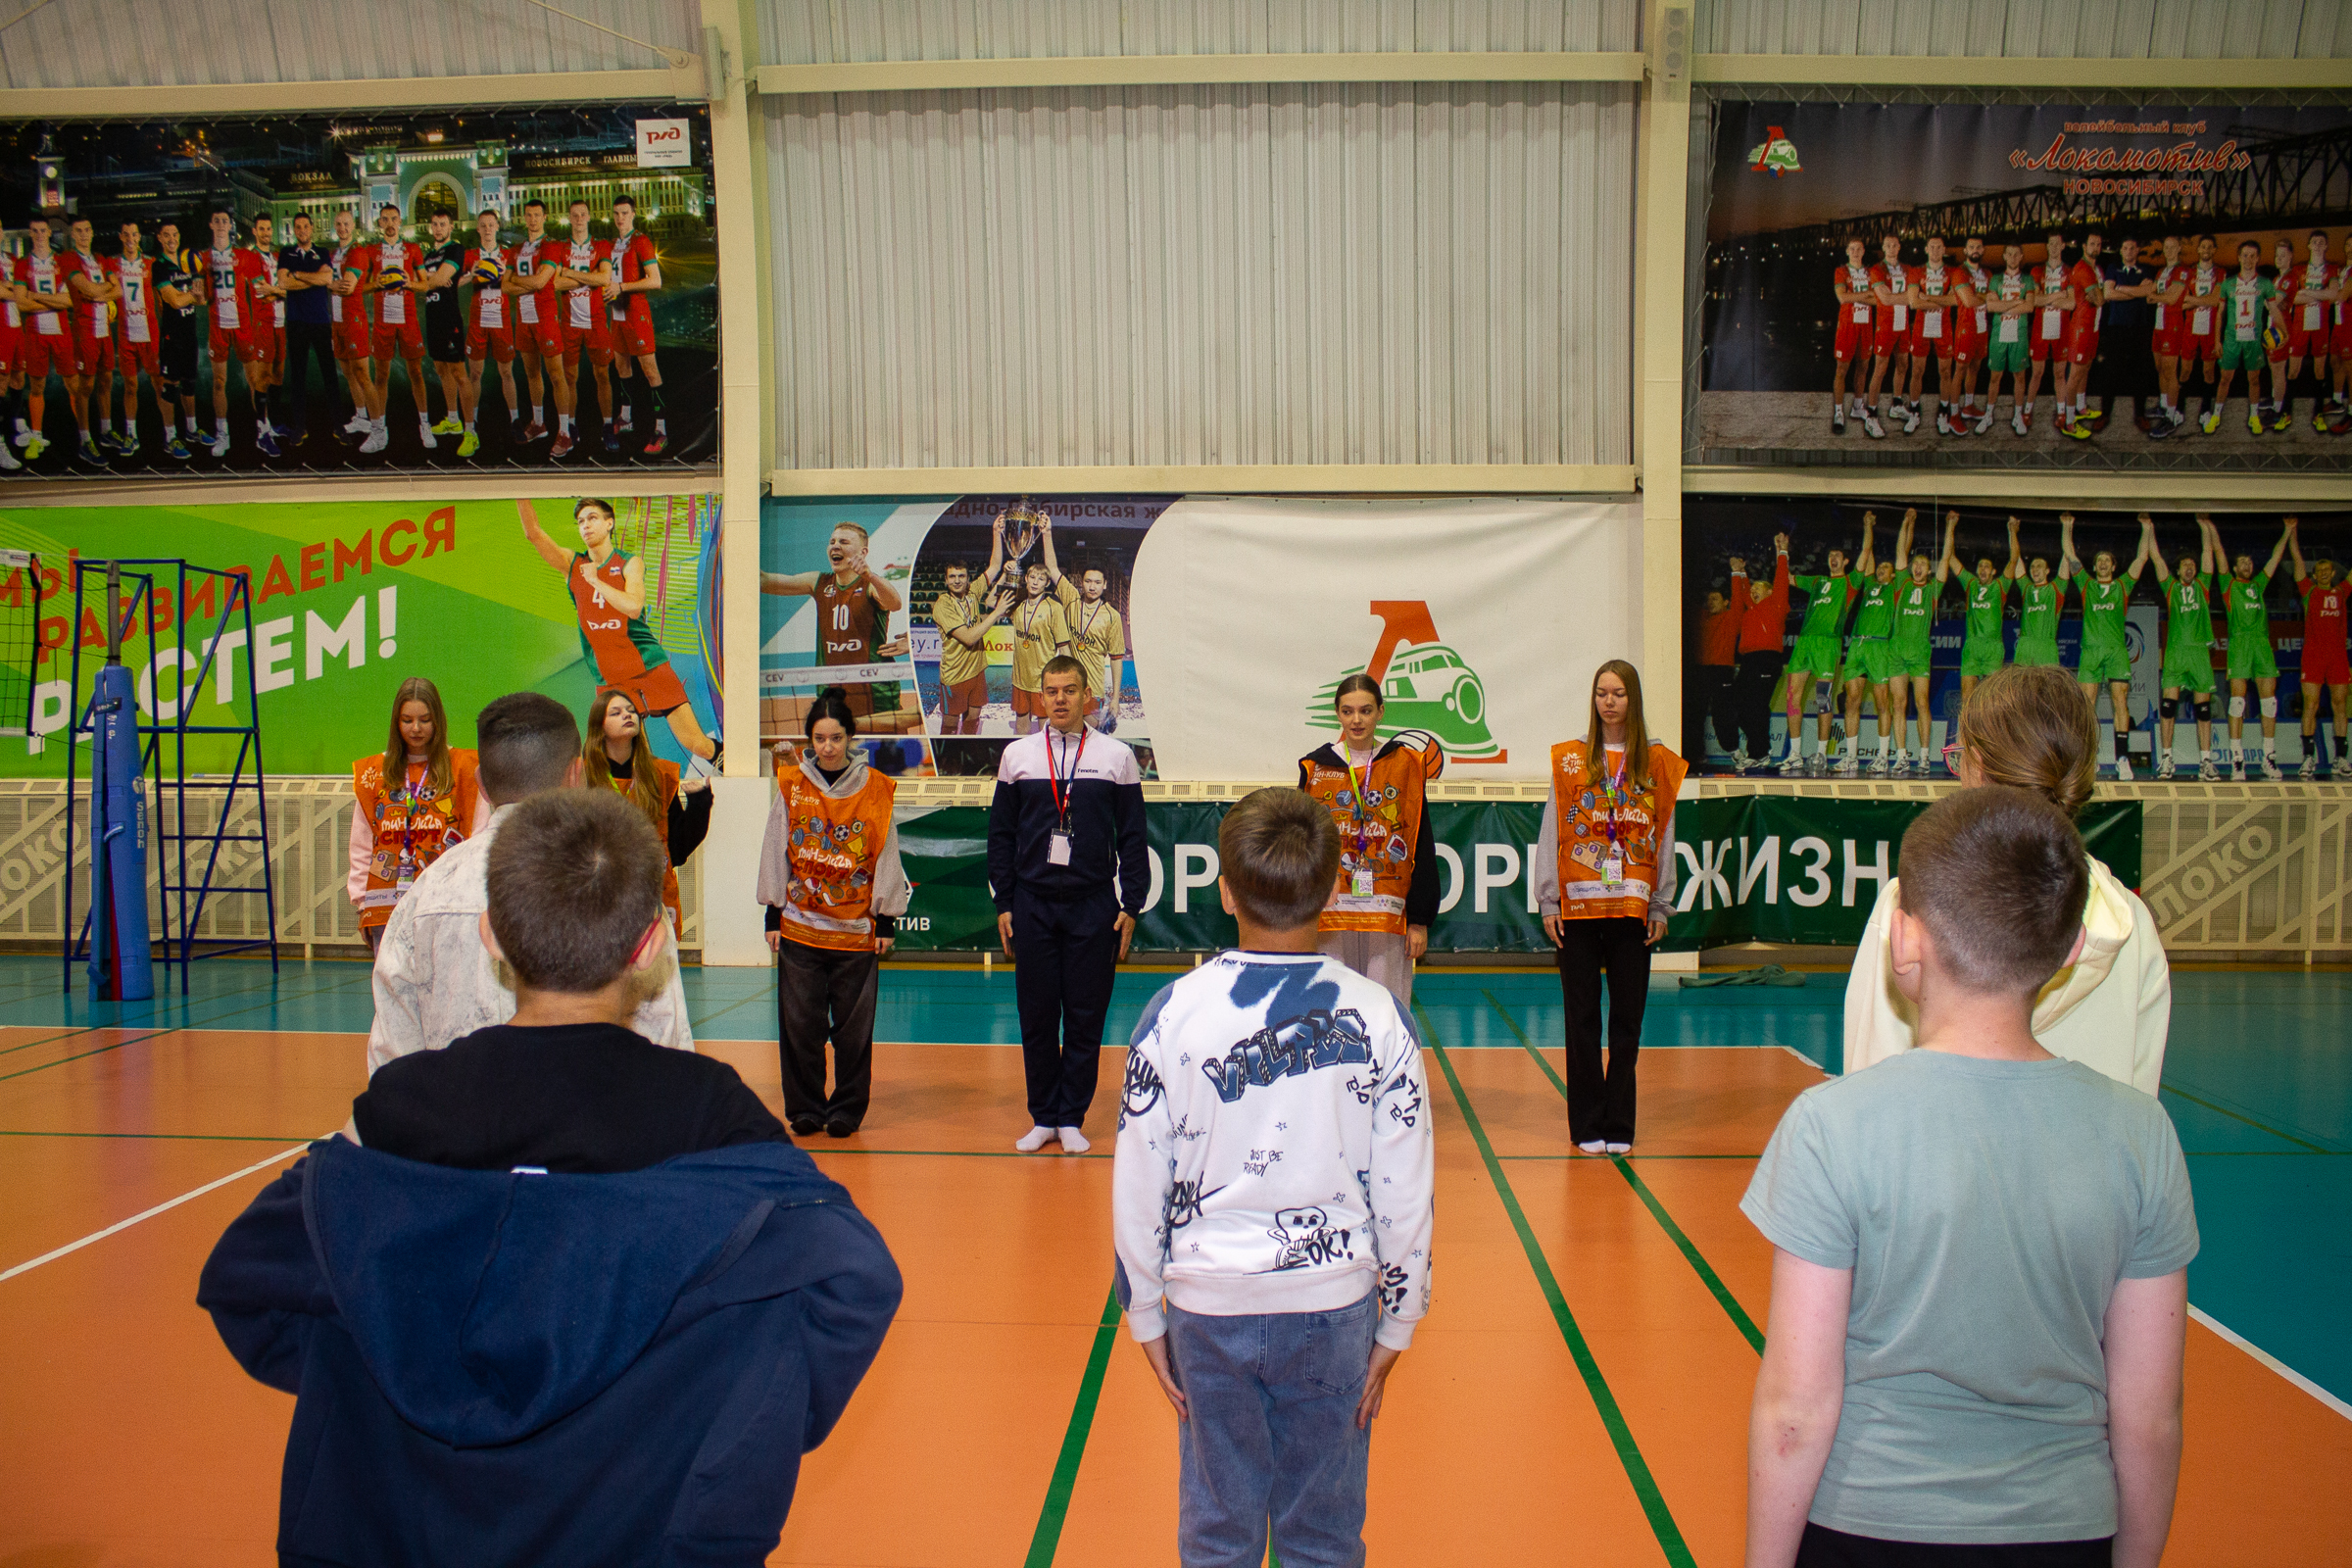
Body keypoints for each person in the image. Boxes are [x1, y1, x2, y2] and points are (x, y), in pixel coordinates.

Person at [203, 788, 901, 1568]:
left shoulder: (401, 1108)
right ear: (651, 946)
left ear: (492, 936)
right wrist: (711, 1406)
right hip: (639, 1531)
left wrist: (380, 1369)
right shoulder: (710, 1114)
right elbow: (853, 1280)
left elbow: (248, 1275)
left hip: (398, 1532)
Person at [1749, 786, 2193, 1568]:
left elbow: (1796, 1409)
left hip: (1867, 1525)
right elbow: (2151, 1416)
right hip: (2065, 1529)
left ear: (1903, 941)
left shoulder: (1831, 1128)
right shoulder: (2141, 1133)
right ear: (2067, 952)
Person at [1110, 785, 1435, 1568]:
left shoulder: (1173, 1014)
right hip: (1333, 1308)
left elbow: (1139, 1181)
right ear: (1331, 892)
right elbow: (1405, 1192)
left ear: (1225, 891)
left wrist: (1145, 1312)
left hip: (1207, 1307)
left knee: (1217, 1531)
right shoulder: (1381, 1018)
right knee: (1321, 1536)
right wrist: (1400, 1320)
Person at [1845, 663, 2170, 1094]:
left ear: (1977, 768)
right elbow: (2138, 1098)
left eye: (1960, 756)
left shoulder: (1913, 904)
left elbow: (1872, 1087)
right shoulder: (2133, 922)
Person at [368, 692, 694, 1072]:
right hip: (600, 1107)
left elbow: (392, 1056)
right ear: (577, 773)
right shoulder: (620, 878)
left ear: (481, 783)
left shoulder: (428, 891)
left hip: (457, 1106)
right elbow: (667, 1041)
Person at [988, 654, 1146, 1154]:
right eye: (1052, 691)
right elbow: (1001, 836)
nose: (1060, 700)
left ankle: (1071, 1117)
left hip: (1093, 904)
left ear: (1086, 696)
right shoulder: (1017, 756)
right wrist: (1005, 902)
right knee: (1036, 1015)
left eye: (1069, 690)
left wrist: (1132, 903)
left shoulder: (1117, 756)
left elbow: (1134, 837)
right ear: (1040, 697)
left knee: (1085, 1014)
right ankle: (1043, 1117)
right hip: (1032, 903)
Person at [1533, 660, 1685, 1153]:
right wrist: (1548, 898)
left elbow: (1664, 834)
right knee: (1581, 1020)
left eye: (1618, 693)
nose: (1609, 702)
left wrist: (1659, 905)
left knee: (1626, 1022)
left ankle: (1619, 1123)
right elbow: (1552, 829)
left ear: (1632, 699)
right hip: (1577, 910)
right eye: (1601, 693)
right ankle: (1586, 1124)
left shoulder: (1655, 762)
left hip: (1631, 909)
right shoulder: (1571, 759)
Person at [760, 687, 908, 1138]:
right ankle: (805, 1107)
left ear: (850, 738)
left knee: (853, 1031)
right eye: (820, 739)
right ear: (810, 741)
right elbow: (775, 849)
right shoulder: (792, 784)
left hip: (856, 932)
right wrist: (772, 914)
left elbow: (887, 855)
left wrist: (885, 919)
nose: (828, 747)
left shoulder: (876, 788)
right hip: (800, 928)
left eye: (836, 738)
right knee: (800, 1026)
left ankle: (846, 1108)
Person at [522, 496, 720, 766]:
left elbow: (634, 607)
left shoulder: (629, 563)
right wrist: (520, 488)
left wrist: (595, 581)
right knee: (622, 754)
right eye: (580, 521)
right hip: (610, 677)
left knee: (697, 744)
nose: (585, 525)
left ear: (609, 523)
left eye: (592, 518)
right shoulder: (571, 564)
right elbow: (533, 533)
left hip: (648, 664)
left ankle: (732, 767)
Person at [1297, 674, 1441, 1007]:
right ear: (1337, 713)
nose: (1356, 720)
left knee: (1384, 1008)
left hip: (1386, 916)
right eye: (1348, 711)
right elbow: (1302, 848)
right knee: (1332, 1008)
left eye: (1365, 710)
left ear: (1380, 712)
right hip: (1331, 914)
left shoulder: (1405, 765)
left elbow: (1420, 842)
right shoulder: (1315, 767)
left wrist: (1419, 920)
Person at [348, 677, 483, 955]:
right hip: (385, 907)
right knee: (390, 981)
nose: (416, 728)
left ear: (438, 720)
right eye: (407, 720)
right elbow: (361, 845)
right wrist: (362, 902)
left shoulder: (465, 768)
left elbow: (480, 838)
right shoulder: (373, 773)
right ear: (396, 722)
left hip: (445, 904)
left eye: (425, 720)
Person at [583, 687, 712, 937]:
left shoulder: (660, 773)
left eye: (631, 711)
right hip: (600, 896)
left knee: (657, 961)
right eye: (616, 713)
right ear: (599, 726)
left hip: (654, 895)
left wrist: (699, 802)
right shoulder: (583, 776)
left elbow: (678, 849)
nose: (627, 715)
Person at [758, 519, 909, 731]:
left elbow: (895, 603)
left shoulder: (870, 585)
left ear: (863, 552)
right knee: (834, 746)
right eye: (832, 542)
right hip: (832, 691)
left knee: (887, 749)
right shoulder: (818, 582)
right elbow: (763, 581)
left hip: (875, 690)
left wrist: (870, 575)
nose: (835, 546)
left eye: (844, 542)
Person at [2062, 512, 2150, 780]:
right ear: (2095, 566)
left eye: (2106, 560)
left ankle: (2122, 759)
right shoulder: (2086, 584)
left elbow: (2141, 558)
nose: (2102, 563)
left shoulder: (2122, 585)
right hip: (2090, 652)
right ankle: (2089, 758)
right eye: (2098, 560)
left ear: (2113, 566)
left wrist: (2146, 528)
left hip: (2116, 652)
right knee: (2086, 705)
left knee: (2120, 701)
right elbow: (2070, 555)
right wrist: (2067, 526)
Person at [2215, 514, 2292, 780]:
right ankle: (2237, 760)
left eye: (2249, 562)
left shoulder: (2258, 585)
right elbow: (2219, 555)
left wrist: (2287, 531)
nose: (2247, 565)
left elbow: (2274, 559)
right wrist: (2210, 527)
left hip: (2261, 644)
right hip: (2240, 643)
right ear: (2235, 568)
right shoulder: (2229, 585)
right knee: (2237, 702)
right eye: (2242, 563)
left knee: (2269, 702)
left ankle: (2268, 758)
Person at [359, 203, 434, 454]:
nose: (390, 223)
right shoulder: (371, 252)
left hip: (408, 319)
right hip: (383, 320)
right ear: (379, 223)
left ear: (400, 221)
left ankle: (425, 425)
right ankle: (379, 431)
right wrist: (377, 284)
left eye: (393, 219)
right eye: (385, 219)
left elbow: (425, 285)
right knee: (381, 376)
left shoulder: (412, 250)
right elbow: (361, 287)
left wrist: (409, 283)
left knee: (416, 373)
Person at [2148, 517, 2220, 780]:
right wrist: (2149, 528)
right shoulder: (2171, 588)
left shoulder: (2203, 586)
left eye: (2192, 565)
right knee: (2168, 706)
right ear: (2178, 571)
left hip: (2199, 653)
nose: (2189, 568)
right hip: (2176, 652)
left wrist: (2205, 527)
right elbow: (2156, 559)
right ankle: (2167, 758)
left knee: (2203, 708)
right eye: (2184, 566)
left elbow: (2208, 554)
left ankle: (2206, 762)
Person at [1781, 533, 1858, 774]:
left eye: (1838, 555)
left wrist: (1867, 527)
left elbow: (1866, 557)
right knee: (1792, 696)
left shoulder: (1850, 583)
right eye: (1830, 555)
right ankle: (1795, 754)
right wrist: (1782, 551)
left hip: (1827, 643)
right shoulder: (1816, 581)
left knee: (1823, 699)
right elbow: (1786, 578)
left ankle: (1821, 754)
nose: (1833, 558)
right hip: (1804, 642)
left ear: (1845, 561)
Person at [1838, 510, 1907, 776]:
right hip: (1858, 644)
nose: (1880, 570)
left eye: (1886, 568)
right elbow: (1868, 557)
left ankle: (1882, 756)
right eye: (1880, 567)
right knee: (1851, 701)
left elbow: (1900, 558)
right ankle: (1851, 757)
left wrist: (1905, 523)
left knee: (1882, 703)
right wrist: (1868, 526)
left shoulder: (1896, 590)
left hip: (1880, 646)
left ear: (1894, 575)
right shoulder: (1868, 587)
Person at [505, 198, 574, 453]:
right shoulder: (515, 249)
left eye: (537, 215)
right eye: (529, 215)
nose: (532, 219)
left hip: (545, 317)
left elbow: (541, 282)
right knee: (532, 373)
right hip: (524, 319)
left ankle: (564, 432)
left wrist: (517, 280)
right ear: (524, 218)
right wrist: (524, 282)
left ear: (545, 217)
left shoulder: (551, 246)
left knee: (556, 375)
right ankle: (538, 423)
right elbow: (504, 286)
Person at [552, 198, 617, 454]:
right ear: (569, 218)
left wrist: (570, 273)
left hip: (596, 321)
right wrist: (589, 277)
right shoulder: (561, 248)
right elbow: (555, 284)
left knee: (602, 375)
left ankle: (608, 425)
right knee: (569, 377)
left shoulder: (601, 246)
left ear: (589, 217)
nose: (579, 219)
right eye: (575, 215)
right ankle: (570, 426)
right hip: (569, 323)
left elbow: (604, 279)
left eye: (583, 214)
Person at [608, 194, 668, 456]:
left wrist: (622, 287)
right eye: (616, 213)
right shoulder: (613, 244)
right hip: (617, 313)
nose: (620, 218)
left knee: (650, 371)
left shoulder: (640, 241)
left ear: (633, 214)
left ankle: (661, 429)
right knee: (621, 366)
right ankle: (626, 417)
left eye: (625, 213)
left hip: (636, 313)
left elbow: (655, 280)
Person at [2289, 519, 2350, 780]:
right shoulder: (2308, 591)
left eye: (2328, 570)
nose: (2324, 573)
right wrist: (2291, 532)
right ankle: (2308, 758)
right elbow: (2297, 562)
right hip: (2313, 656)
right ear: (2314, 575)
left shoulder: (2342, 592)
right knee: (2310, 705)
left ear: (2333, 573)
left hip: (2337, 656)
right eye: (2319, 570)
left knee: (2340, 705)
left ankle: (2341, 758)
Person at [13, 213, 74, 464]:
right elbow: (21, 303)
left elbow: (69, 301)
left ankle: (82, 436)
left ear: (50, 232)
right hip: (35, 334)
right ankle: (36, 436)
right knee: (36, 386)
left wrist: (35, 295)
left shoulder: (61, 261)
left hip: (61, 332)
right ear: (30, 234)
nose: (39, 235)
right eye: (35, 231)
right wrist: (53, 302)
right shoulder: (22, 264)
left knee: (73, 385)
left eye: (43, 230)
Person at [1884, 529, 1946, 775]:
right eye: (1916, 563)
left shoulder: (1933, 589)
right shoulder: (1902, 582)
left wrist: (1950, 527)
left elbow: (1946, 557)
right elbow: (1900, 551)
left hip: (1919, 652)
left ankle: (1924, 757)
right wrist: (1907, 523)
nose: (1918, 567)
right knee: (1898, 704)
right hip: (1897, 651)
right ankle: (1901, 757)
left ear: (1929, 570)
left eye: (1923, 564)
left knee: (1921, 702)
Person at [416, 208, 478, 457]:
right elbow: (438, 282)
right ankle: (453, 419)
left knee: (459, 374)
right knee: (441, 370)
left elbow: (436, 280)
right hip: (432, 318)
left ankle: (471, 433)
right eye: (435, 223)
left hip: (449, 318)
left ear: (451, 226)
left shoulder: (455, 249)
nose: (438, 228)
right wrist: (434, 279)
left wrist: (426, 279)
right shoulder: (429, 255)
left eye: (443, 224)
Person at [273, 213, 336, 453]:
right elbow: (283, 284)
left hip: (320, 320)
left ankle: (338, 425)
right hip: (296, 321)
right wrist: (314, 279)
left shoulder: (322, 252)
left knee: (329, 375)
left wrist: (298, 274)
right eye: (297, 227)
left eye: (305, 226)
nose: (302, 230)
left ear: (312, 228)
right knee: (297, 378)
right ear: (294, 230)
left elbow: (327, 278)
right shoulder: (286, 252)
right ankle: (299, 426)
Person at [931, 558, 1013, 736]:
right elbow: (969, 638)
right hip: (955, 675)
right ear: (945, 580)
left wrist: (1006, 571)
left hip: (977, 671)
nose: (957, 580)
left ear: (968, 578)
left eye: (961, 576)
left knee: (973, 720)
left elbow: (994, 566)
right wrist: (997, 613)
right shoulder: (943, 605)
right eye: (952, 576)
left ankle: (966, 749)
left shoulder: (972, 592)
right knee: (950, 726)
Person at [1728, 537, 1790, 771]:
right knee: (1736, 706)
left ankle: (1759, 753)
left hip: (1767, 659)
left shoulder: (1777, 604)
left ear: (1770, 592)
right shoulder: (1750, 610)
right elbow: (1742, 594)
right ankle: (1761, 750)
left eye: (1758, 588)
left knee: (1756, 707)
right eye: (1752, 588)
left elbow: (1781, 580)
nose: (1753, 591)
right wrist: (1738, 573)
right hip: (1748, 661)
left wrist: (1782, 552)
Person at [324, 209, 383, 452]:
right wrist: (329, 284)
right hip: (337, 320)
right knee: (348, 372)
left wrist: (325, 283)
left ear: (354, 226)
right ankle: (361, 417)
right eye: (338, 223)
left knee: (362, 374)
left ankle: (379, 430)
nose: (342, 228)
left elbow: (347, 287)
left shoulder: (357, 252)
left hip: (353, 319)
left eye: (346, 223)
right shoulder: (333, 254)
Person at [1945, 509, 2017, 710]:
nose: (1982, 569)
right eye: (1980, 566)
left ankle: (1991, 730)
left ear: (1993, 571)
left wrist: (2012, 530)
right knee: (1967, 697)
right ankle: (1966, 730)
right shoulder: (1970, 583)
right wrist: (1950, 526)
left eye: (1987, 566)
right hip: (1972, 645)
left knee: (1993, 699)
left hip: (1993, 646)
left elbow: (2013, 560)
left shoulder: (2000, 586)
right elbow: (1950, 558)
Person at [60, 215, 116, 466]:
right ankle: (85, 440)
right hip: (85, 330)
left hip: (104, 329)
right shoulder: (69, 259)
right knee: (85, 387)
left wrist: (97, 293)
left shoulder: (101, 259)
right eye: (79, 231)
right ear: (73, 235)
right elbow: (88, 289)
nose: (84, 234)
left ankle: (106, 431)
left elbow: (118, 290)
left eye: (87, 230)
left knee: (107, 380)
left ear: (92, 232)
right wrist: (102, 290)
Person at [2205, 239, 2276, 436]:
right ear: (2239, 257)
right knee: (2225, 379)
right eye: (2245, 255)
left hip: (2253, 339)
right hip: (2232, 339)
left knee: (2254, 379)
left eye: (2252, 256)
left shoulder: (2265, 283)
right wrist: (2217, 340)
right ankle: (2216, 415)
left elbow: (2273, 310)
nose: (2248, 259)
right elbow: (2220, 313)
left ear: (2258, 258)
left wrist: (2283, 332)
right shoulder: (2228, 284)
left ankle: (2253, 416)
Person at [102, 220, 158, 461]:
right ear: (120, 237)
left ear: (139, 237)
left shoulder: (151, 263)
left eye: (134, 234)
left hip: (150, 333)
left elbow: (161, 294)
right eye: (126, 234)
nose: (130, 239)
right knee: (130, 386)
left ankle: (170, 434)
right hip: (126, 334)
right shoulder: (112, 265)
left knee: (160, 384)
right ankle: (131, 434)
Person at [463, 208, 519, 441]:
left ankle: (515, 419)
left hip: (500, 317)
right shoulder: (470, 255)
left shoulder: (508, 255)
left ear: (497, 226)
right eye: (483, 225)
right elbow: (452, 282)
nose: (487, 229)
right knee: (475, 373)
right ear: (477, 228)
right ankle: (472, 420)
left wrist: (508, 276)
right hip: (478, 318)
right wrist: (470, 274)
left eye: (491, 224)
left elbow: (517, 283)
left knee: (506, 372)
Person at [151, 220, 204, 462]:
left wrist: (192, 295)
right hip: (172, 336)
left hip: (189, 332)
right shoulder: (159, 266)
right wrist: (191, 294)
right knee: (170, 386)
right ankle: (170, 438)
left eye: (175, 234)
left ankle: (192, 430)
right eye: (166, 235)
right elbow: (174, 301)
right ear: (160, 238)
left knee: (189, 384)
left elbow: (201, 299)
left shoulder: (188, 262)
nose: (171, 239)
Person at [2056, 227, 2110, 437]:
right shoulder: (2083, 269)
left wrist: (2098, 293)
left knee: (2086, 368)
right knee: (2075, 374)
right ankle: (2068, 421)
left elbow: (2099, 296)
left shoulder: (2097, 269)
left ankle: (2080, 407)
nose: (2096, 248)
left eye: (2099, 244)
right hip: (2081, 327)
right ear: (2084, 246)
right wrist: (2100, 294)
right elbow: (2100, 299)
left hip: (2093, 326)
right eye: (2092, 244)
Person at [1980, 240, 2037, 436]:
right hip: (1999, 332)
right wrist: (2016, 302)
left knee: (2019, 376)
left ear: (2021, 257)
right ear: (2004, 256)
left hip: (2019, 333)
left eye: (2016, 254)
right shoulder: (1996, 279)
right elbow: (1991, 307)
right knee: (1995, 376)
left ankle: (2018, 416)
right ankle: (1989, 414)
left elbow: (2029, 307)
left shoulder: (2028, 280)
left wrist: (2004, 305)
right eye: (2009, 254)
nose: (2012, 258)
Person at [2022, 230, 2076, 434]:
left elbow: (2071, 304)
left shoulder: (2069, 272)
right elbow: (2035, 301)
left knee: (2060, 373)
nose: (2053, 247)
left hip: (2062, 327)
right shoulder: (2038, 271)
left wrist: (2049, 298)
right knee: (2037, 373)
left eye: (2057, 244)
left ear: (2062, 246)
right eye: (2050, 244)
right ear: (2047, 246)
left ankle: (2061, 414)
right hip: (2040, 328)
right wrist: (2059, 295)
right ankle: (2027, 411)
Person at [1830, 237, 1883, 437]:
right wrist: (1867, 294)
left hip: (1865, 323)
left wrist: (1856, 295)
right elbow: (1842, 297)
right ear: (1847, 251)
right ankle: (1838, 412)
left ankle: (1858, 406)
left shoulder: (1871, 272)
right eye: (1852, 249)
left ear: (1863, 251)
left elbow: (1878, 299)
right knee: (1841, 369)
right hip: (1847, 324)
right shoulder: (1841, 271)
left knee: (1863, 366)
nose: (1855, 252)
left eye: (1858, 249)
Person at [1865, 233, 1916, 434]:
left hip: (1903, 323)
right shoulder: (1877, 270)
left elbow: (1914, 294)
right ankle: (1871, 415)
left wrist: (1908, 297)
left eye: (1895, 245)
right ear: (1883, 248)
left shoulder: (1908, 269)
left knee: (1903, 365)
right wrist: (1910, 297)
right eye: (1888, 245)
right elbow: (1885, 299)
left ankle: (1896, 404)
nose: (1892, 248)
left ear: (1899, 247)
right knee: (1880, 369)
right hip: (1886, 324)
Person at [2011, 520, 2068, 673]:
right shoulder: (2027, 588)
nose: (2035, 569)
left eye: (2039, 566)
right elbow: (2015, 560)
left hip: (2046, 646)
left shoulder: (2056, 588)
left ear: (2047, 571)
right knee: (2021, 685)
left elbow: (2067, 558)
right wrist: (2012, 532)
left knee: (2049, 685)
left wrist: (2067, 527)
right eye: (2032, 566)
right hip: (2025, 645)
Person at [1695, 579, 1742, 761]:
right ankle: (1696, 754)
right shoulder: (1701, 618)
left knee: (1722, 713)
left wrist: (1736, 573)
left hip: (1722, 670)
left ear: (1726, 602)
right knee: (1695, 714)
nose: (1710, 602)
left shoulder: (1731, 618)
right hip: (1700, 671)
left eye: (1715, 599)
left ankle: (1734, 751)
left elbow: (1739, 601)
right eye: (1709, 599)